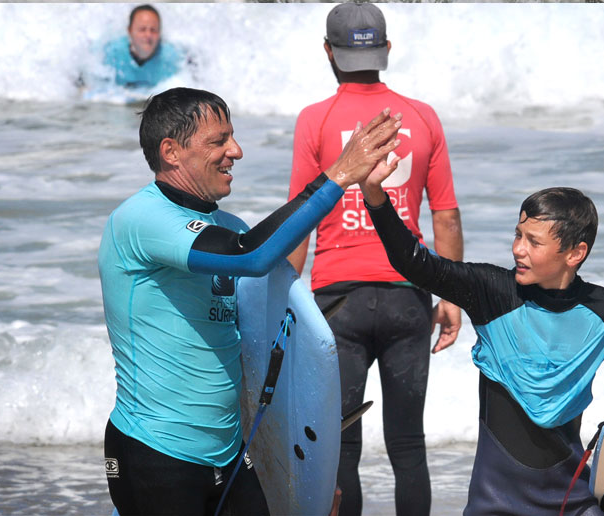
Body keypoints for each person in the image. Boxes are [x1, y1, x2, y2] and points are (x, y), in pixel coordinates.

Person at [357, 172, 604, 514]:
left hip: (571, 501)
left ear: (575, 253)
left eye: (534, 241)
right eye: (518, 235)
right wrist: (374, 193)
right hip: (495, 505)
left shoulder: (603, 310)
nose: (518, 249)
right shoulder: (492, 292)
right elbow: (414, 262)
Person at [98, 86, 402, 515]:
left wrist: (310, 477)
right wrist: (337, 176)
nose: (236, 151)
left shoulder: (228, 227)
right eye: (218, 141)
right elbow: (252, 255)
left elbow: (275, 341)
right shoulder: (141, 220)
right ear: (171, 151)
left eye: (232, 137)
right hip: (157, 452)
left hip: (229, 451)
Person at [285, 3, 463, 515]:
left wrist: (284, 304)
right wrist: (451, 298)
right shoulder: (423, 117)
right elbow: (446, 217)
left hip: (338, 303)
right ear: (386, 50)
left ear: (329, 52)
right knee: (408, 443)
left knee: (341, 444)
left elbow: (299, 220)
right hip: (408, 297)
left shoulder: (315, 119)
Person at [103, 5, 185, 89]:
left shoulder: (172, 58)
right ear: (129, 31)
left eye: (153, 30)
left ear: (159, 33)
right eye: (142, 29)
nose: (148, 35)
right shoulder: (112, 54)